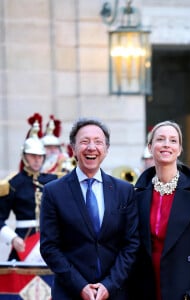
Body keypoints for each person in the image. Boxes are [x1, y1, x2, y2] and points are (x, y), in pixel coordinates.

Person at [40, 117, 139, 300]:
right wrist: (81, 286)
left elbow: (131, 244)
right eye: (84, 141)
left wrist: (109, 285)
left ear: (106, 150)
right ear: (73, 149)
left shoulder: (124, 191)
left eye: (98, 142)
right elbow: (49, 247)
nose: (91, 147)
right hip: (70, 293)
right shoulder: (53, 192)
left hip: (115, 293)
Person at [129, 120, 190, 300]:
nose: (166, 144)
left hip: (186, 292)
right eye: (160, 139)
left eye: (173, 140)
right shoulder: (137, 195)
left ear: (180, 149)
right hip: (146, 289)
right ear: (150, 147)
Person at [0, 118, 57, 261]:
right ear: (24, 156)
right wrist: (12, 238)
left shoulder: (53, 181)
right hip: (24, 241)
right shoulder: (12, 183)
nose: (37, 160)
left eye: (40, 156)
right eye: (33, 156)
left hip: (51, 240)